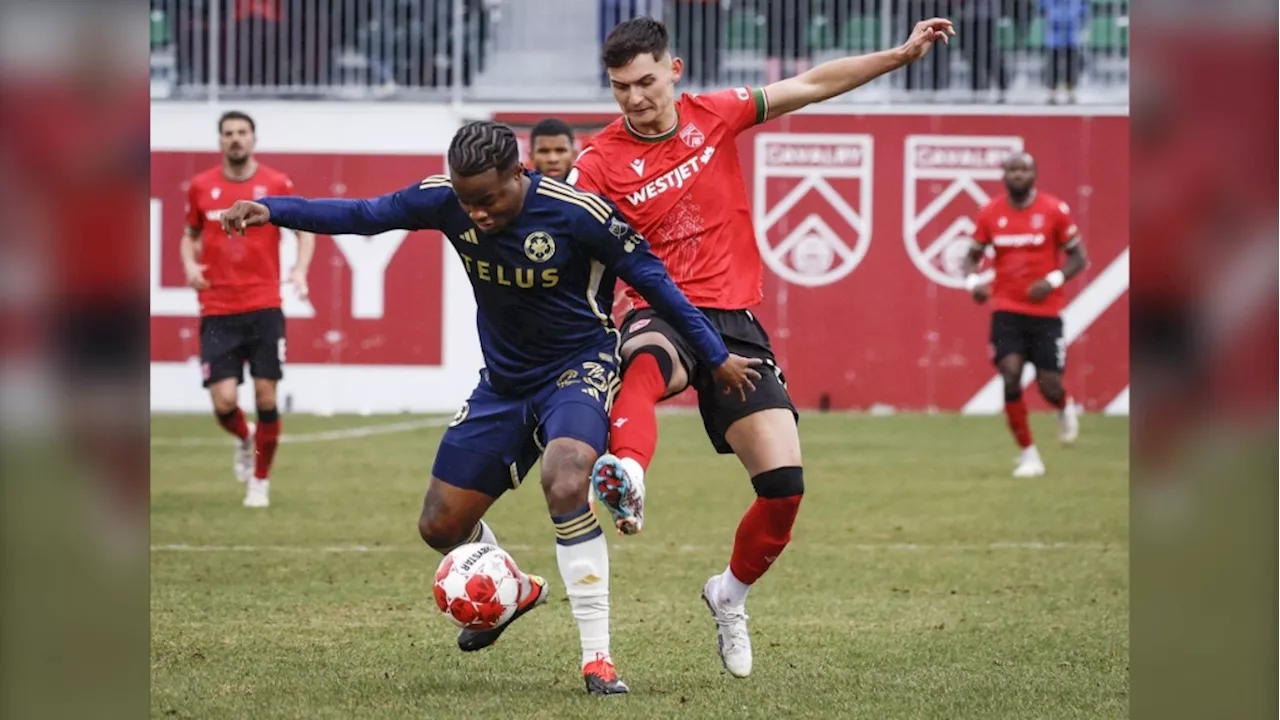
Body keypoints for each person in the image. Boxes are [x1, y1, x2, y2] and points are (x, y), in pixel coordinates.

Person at [217, 121, 761, 695]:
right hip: (503, 385)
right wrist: (270, 210)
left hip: (579, 368)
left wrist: (716, 356)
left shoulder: (580, 215)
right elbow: (363, 214)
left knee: (568, 475)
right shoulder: (447, 199)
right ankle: (516, 586)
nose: (475, 212)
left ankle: (597, 659)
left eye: (488, 199)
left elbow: (657, 282)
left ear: (518, 173)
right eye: (465, 199)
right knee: (439, 525)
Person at [568, 15, 953, 678]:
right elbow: (559, 221)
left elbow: (809, 84)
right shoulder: (598, 162)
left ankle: (729, 595)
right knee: (647, 361)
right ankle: (628, 473)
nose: (634, 97)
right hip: (658, 309)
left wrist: (899, 55)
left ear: (674, 71)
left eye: (645, 81)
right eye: (620, 87)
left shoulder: (715, 114)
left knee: (783, 488)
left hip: (735, 323)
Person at [181, 110, 314, 508]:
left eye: (242, 132)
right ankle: (246, 437)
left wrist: (300, 269)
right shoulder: (201, 187)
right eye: (228, 133)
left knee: (266, 396)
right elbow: (189, 237)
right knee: (223, 402)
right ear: (219, 141)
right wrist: (189, 264)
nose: (235, 139)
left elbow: (304, 230)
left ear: (253, 139)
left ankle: (260, 480)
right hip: (217, 306)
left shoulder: (275, 185)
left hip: (264, 305)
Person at [961, 152, 1088, 478]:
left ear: (1034, 174)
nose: (1018, 175)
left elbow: (1078, 258)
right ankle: (1029, 455)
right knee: (1010, 373)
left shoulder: (1054, 210)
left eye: (1024, 169)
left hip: (1046, 313)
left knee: (1050, 386)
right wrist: (974, 281)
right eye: (1013, 170)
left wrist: (1053, 280)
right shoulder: (990, 213)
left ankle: (1062, 406)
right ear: (1004, 175)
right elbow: (970, 257)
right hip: (1007, 309)